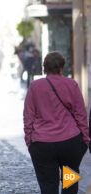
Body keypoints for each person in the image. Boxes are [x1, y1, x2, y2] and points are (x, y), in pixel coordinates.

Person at [24, 51, 90, 194]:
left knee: (48, 185)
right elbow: (80, 114)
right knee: (70, 183)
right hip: (70, 143)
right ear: (62, 67)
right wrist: (85, 138)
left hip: (42, 145)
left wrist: (29, 140)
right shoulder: (71, 84)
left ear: (44, 67)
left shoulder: (35, 86)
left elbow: (28, 115)